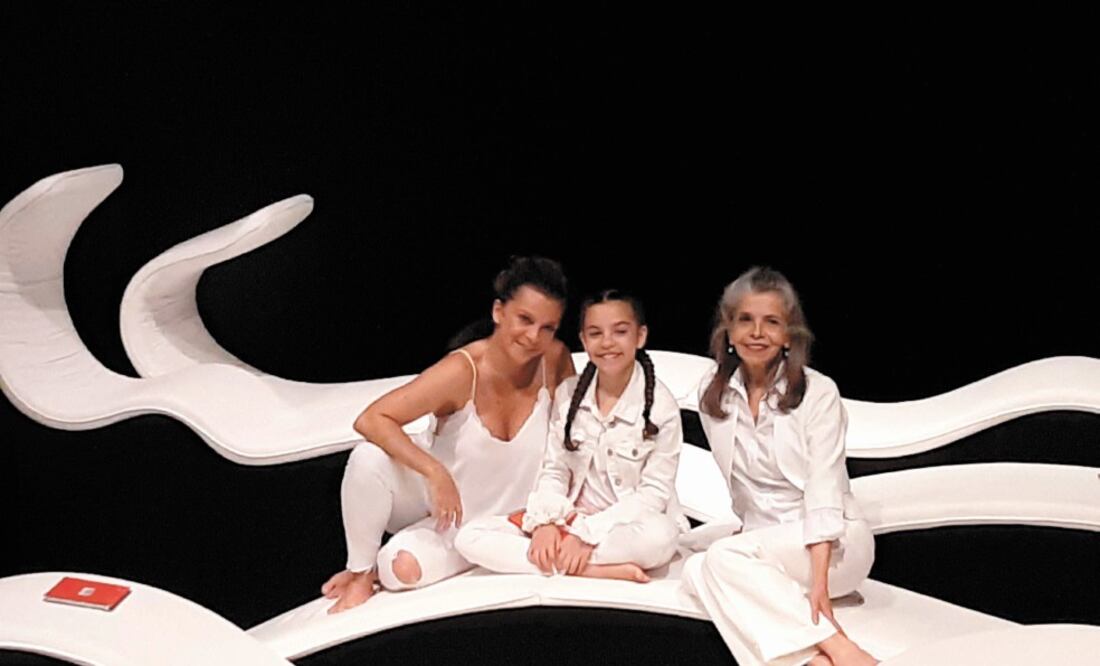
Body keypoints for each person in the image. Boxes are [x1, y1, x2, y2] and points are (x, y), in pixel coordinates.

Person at [322, 256, 576, 613]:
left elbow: (575, 435)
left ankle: (486, 551)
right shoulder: (462, 370)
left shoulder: (555, 360)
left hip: (519, 520)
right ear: (499, 312)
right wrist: (434, 471)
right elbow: (372, 418)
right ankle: (360, 573)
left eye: (548, 327)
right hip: (453, 517)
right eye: (525, 319)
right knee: (371, 467)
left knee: (400, 565)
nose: (534, 337)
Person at [681, 267, 877, 666]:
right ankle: (808, 661)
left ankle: (841, 649)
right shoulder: (711, 394)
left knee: (720, 560)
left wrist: (819, 585)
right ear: (729, 332)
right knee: (695, 569)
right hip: (765, 545)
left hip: (832, 547)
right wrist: (750, 537)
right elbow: (745, 493)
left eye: (771, 322)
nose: (757, 332)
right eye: (746, 320)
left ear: (789, 335)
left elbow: (824, 490)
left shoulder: (818, 392)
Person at [455, 290, 685, 582]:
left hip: (621, 528)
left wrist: (586, 535)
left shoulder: (661, 409)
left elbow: (653, 496)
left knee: (661, 538)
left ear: (640, 336)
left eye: (620, 332)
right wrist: (547, 523)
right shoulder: (568, 395)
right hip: (569, 518)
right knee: (470, 536)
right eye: (595, 333)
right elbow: (555, 470)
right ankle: (591, 570)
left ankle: (560, 561)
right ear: (584, 340)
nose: (607, 343)